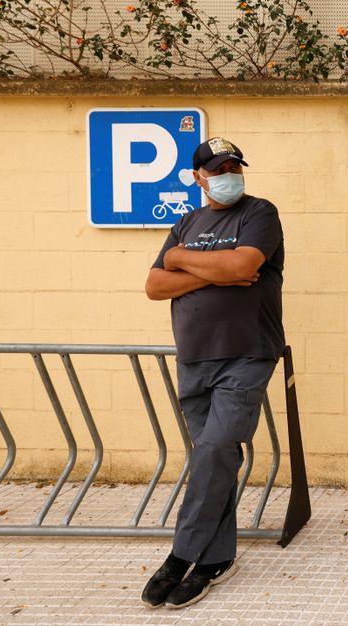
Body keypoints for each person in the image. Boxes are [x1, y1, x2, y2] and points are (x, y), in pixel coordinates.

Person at [141, 137, 284, 609]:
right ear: (199, 177)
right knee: (212, 457)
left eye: (234, 166)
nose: (229, 174)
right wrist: (205, 268)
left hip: (247, 353)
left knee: (218, 447)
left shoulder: (259, 213)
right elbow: (155, 285)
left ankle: (181, 554)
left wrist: (185, 259)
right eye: (218, 168)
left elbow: (244, 264)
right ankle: (216, 559)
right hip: (195, 355)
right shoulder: (187, 222)